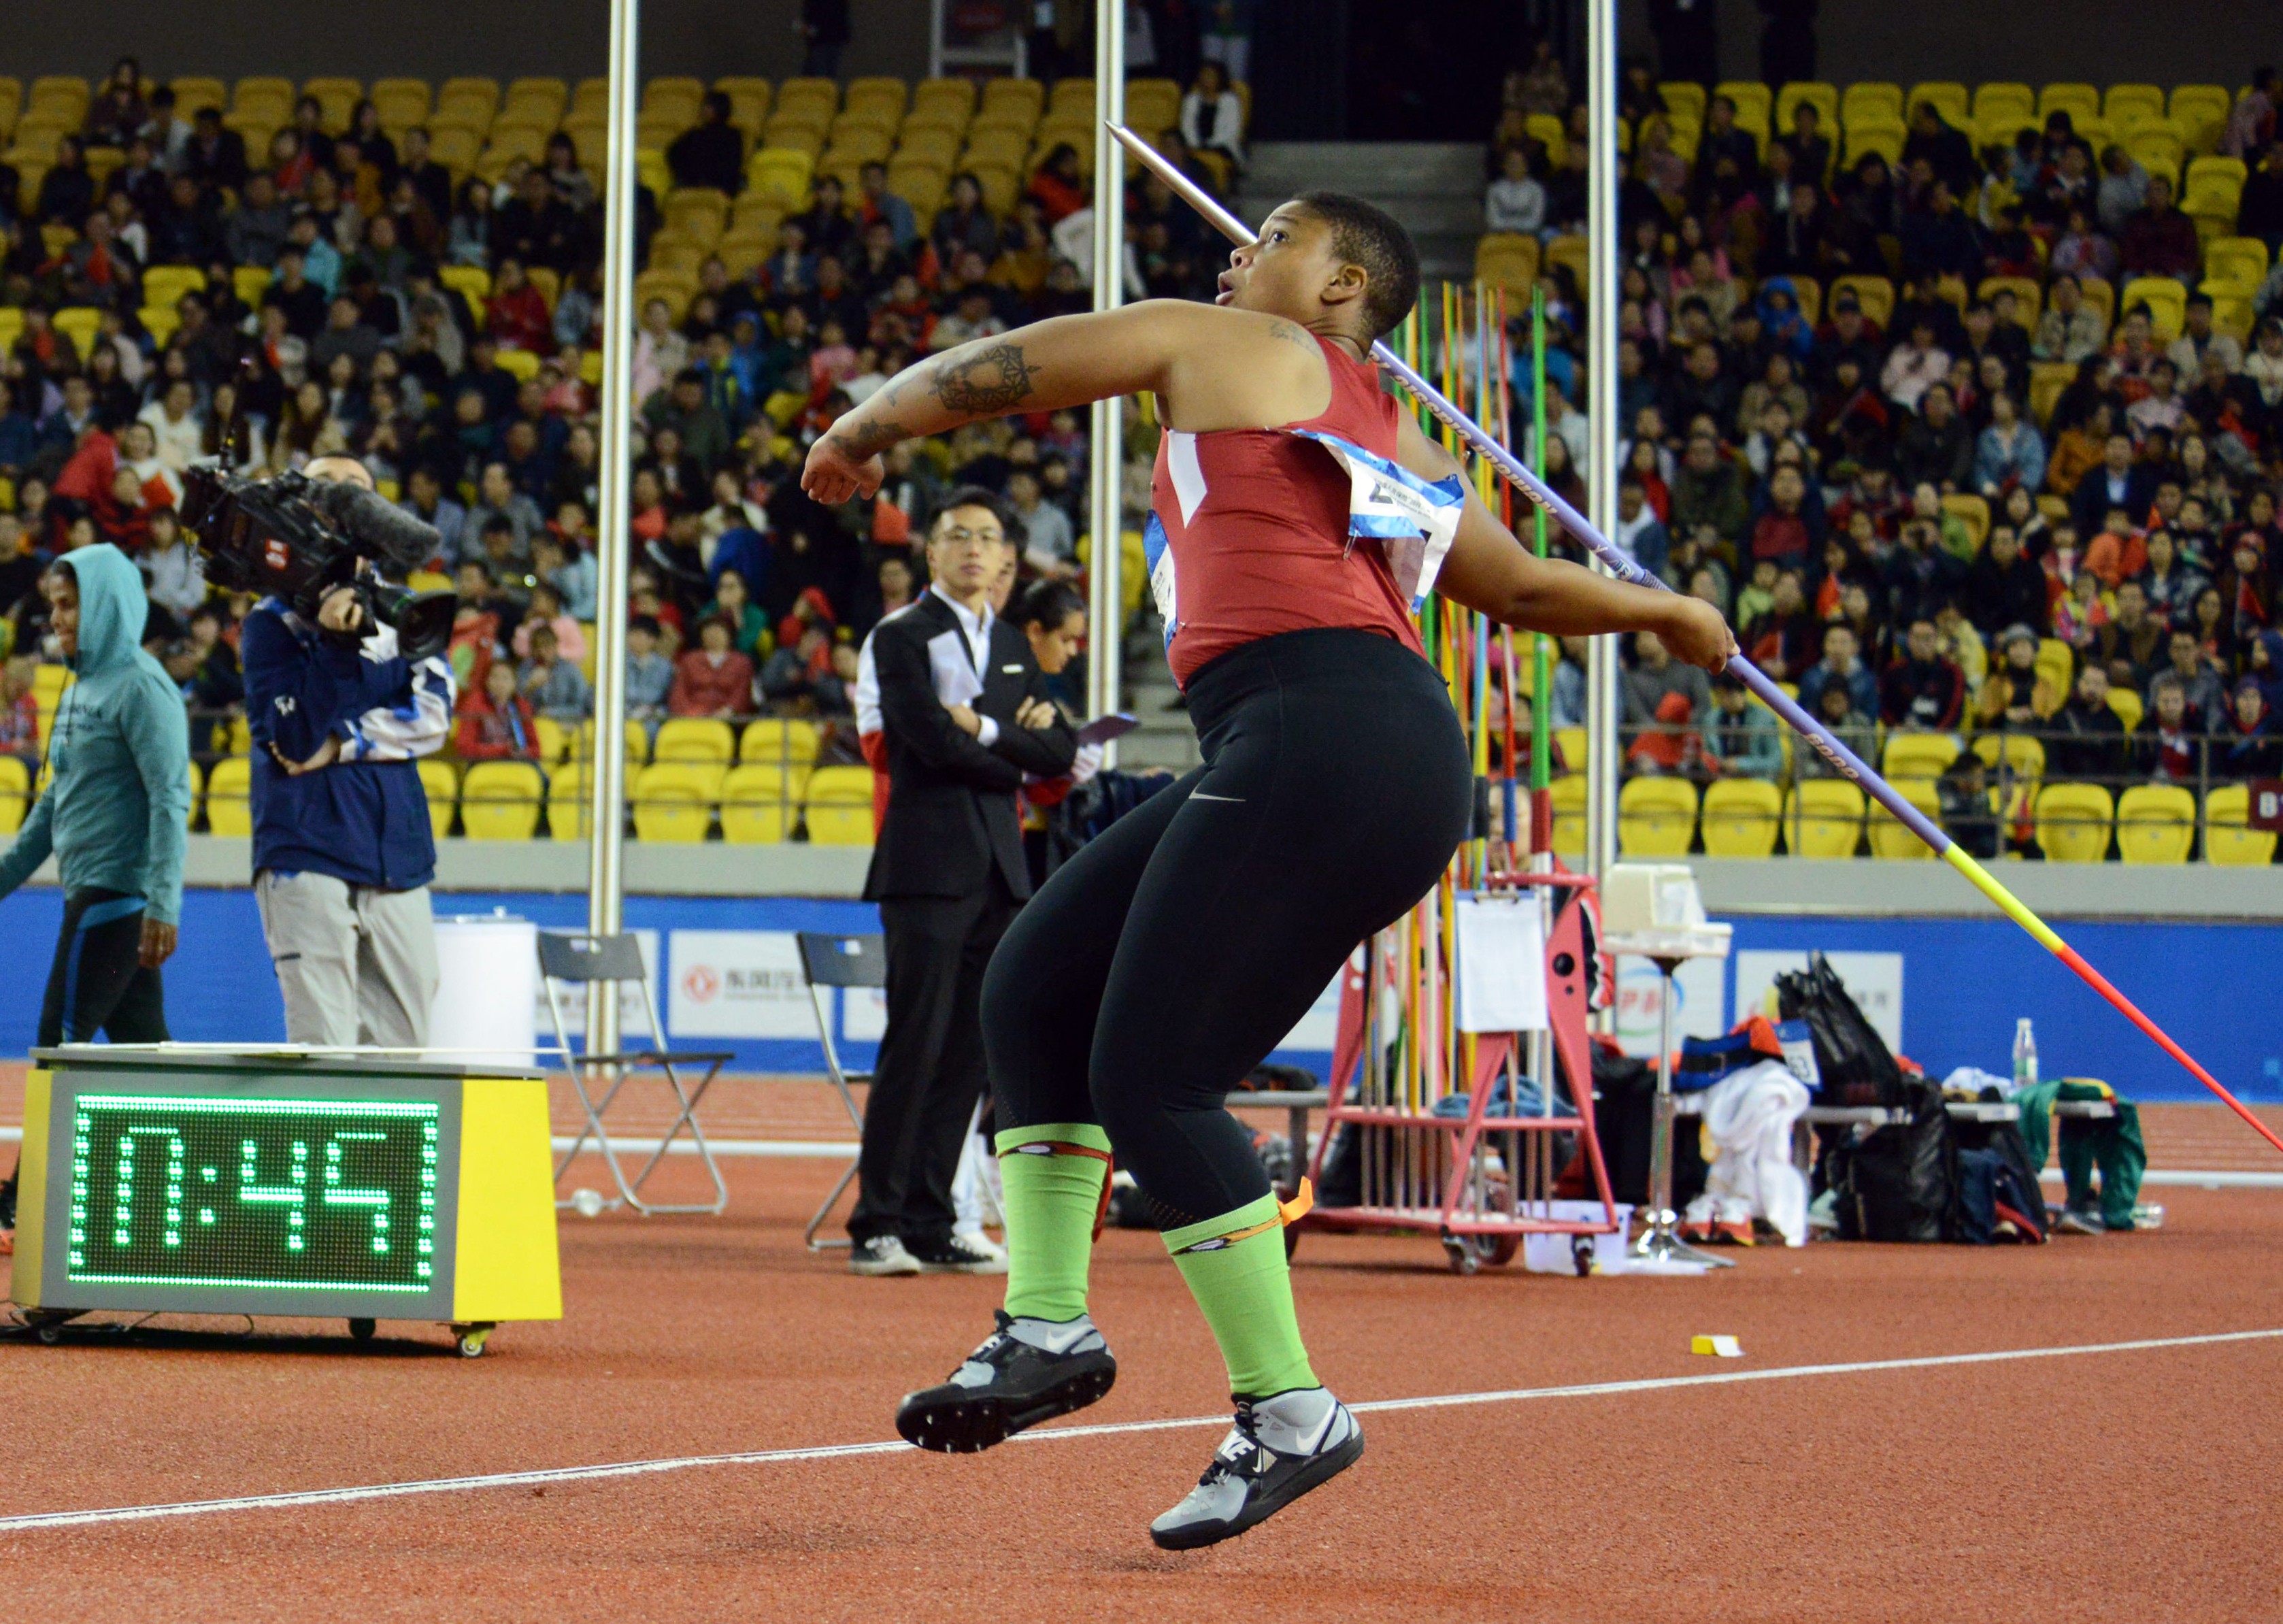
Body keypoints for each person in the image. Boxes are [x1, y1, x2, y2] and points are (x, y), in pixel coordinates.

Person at [800, 190, 1733, 1546]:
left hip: (1327, 727)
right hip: (1339, 740)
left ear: (1345, 284)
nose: (1240, 251)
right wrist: (1667, 609)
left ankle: (1290, 1408)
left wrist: (863, 424)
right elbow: (1522, 589)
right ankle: (1046, 1322)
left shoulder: (1236, 346)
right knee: (1036, 984)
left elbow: (1031, 360)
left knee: (1152, 1073)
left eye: (1277, 236)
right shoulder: (1376, 426)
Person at [841, 489, 1075, 1277]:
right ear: (930, 552)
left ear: (1006, 554)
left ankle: (931, 1218)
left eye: (987, 536)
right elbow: (922, 742)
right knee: (915, 1042)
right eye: (956, 536)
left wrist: (984, 731)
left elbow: (1060, 751)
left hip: (1002, 870)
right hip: (926, 863)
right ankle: (875, 1221)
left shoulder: (1010, 640)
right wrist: (1011, 749)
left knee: (970, 1053)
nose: (973, 549)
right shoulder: (900, 635)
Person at [0, 548, 190, 1247]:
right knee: (148, 1054)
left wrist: (164, 901)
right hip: (94, 892)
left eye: (71, 603)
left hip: (116, 899)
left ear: (107, 602)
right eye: (53, 605)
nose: (58, 618)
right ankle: (192, 1187)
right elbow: (51, 807)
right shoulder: (79, 689)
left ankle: (19, 1206)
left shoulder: (144, 688)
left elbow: (173, 797)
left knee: (57, 1049)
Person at [244, 456, 456, 1048]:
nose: (343, 502)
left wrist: (343, 742)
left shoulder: (408, 613)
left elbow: (434, 712)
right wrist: (340, 649)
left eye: (358, 491)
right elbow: (292, 741)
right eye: (327, 489)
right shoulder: (272, 621)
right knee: (324, 1048)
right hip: (306, 847)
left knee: (405, 1048)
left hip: (397, 855)